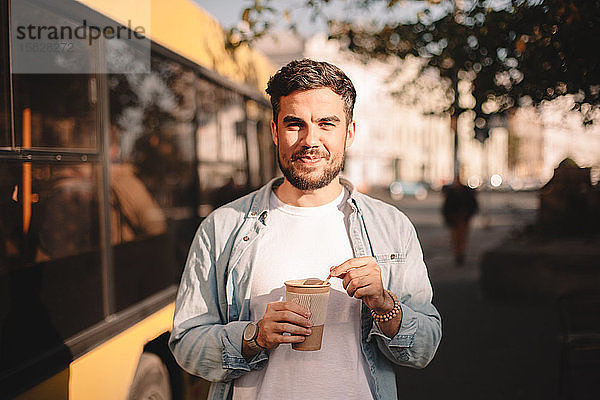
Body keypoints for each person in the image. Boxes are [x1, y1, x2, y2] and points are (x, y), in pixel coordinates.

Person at [169, 59, 441, 400]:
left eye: (326, 123)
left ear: (350, 133)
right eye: (295, 124)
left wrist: (383, 302)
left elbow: (425, 346)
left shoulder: (391, 226)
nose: (310, 139)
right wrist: (254, 337)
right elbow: (186, 343)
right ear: (274, 132)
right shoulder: (222, 227)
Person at [441, 176, 479, 265]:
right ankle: (458, 254)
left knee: (461, 238)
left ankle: (460, 254)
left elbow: (473, 205)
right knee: (455, 239)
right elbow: (446, 208)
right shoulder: (452, 192)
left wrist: (467, 215)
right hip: (454, 220)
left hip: (463, 220)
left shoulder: (465, 192)